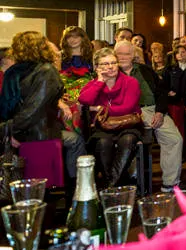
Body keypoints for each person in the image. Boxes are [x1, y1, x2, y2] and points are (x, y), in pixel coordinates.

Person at [114, 41, 186, 193]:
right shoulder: (112, 72)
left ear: (133, 56)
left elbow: (162, 91)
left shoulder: (144, 70)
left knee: (174, 139)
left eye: (127, 54)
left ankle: (170, 183)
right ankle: (128, 183)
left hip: (153, 109)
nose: (123, 57)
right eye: (119, 54)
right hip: (128, 112)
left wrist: (160, 112)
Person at [78, 48, 142, 186]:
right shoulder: (94, 84)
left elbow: (127, 108)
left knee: (128, 140)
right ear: (97, 67)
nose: (110, 67)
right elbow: (84, 100)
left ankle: (110, 186)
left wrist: (100, 109)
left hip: (127, 125)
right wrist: (100, 81)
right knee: (102, 143)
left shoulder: (130, 82)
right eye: (105, 64)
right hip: (103, 128)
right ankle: (114, 185)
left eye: (113, 62)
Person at [0, 32, 67, 164]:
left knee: (20, 181)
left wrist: (9, 132)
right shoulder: (46, 71)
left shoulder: (13, 72)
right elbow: (33, 110)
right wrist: (12, 132)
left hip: (17, 136)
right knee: (42, 181)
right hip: (40, 135)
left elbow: (6, 107)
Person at [161, 44, 186, 155]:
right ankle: (180, 153)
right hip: (175, 102)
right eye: (178, 53)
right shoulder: (169, 69)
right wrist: (168, 92)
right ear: (175, 55)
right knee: (177, 127)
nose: (181, 55)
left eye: (183, 52)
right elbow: (163, 85)